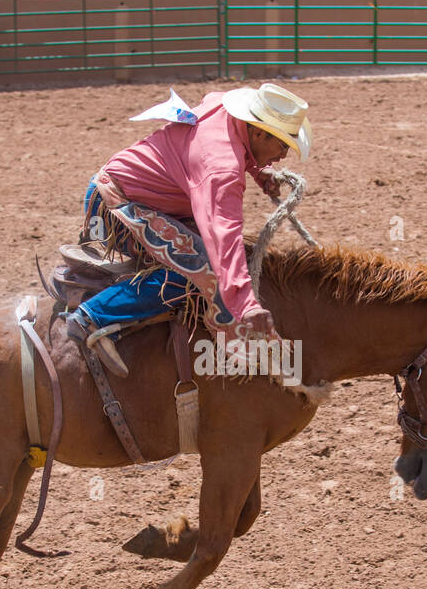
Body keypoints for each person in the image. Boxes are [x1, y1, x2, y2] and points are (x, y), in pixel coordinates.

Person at [66, 83, 311, 377]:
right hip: (115, 208)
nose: (284, 155)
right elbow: (224, 238)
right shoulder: (221, 169)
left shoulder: (225, 108)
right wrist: (246, 305)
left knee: (218, 265)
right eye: (283, 145)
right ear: (258, 132)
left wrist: (259, 171)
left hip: (141, 196)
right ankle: (92, 317)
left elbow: (227, 136)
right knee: (200, 271)